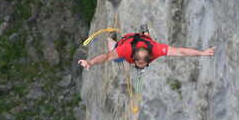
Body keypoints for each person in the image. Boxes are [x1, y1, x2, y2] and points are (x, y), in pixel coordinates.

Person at [78, 30, 216, 70]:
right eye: (140, 65)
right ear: (135, 59)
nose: (142, 66)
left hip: (144, 41)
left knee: (147, 38)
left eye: (143, 65)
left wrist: (202, 53)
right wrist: (90, 62)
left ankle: (146, 34)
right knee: (115, 57)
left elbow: (180, 51)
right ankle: (110, 37)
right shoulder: (125, 50)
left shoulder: (156, 50)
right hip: (124, 43)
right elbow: (106, 57)